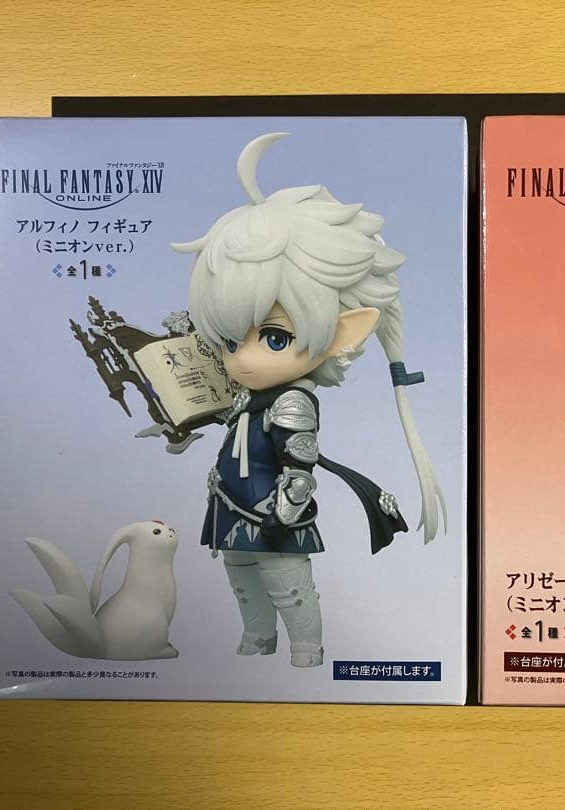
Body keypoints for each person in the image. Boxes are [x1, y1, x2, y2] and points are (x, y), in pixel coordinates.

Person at [172, 132, 445, 667]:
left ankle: (305, 648)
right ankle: (258, 638)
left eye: (274, 338)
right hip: (231, 498)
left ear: (343, 331)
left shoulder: (293, 402)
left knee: (286, 581)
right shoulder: (247, 395)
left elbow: (299, 462)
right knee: (240, 572)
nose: (244, 359)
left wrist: (286, 508)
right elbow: (226, 420)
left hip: (271, 507)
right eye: (230, 340)